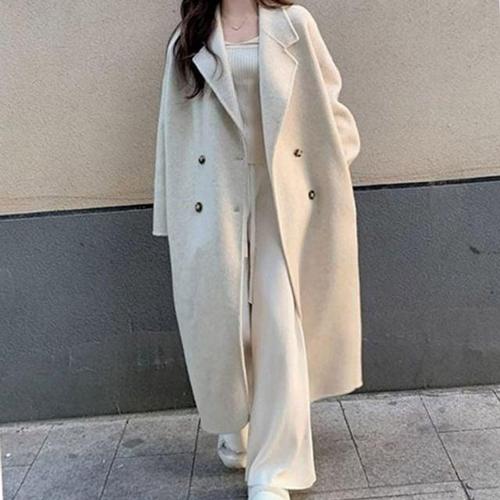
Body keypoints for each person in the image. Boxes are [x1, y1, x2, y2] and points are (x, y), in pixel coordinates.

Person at [152, 1, 363, 499]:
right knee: (229, 322)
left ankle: (274, 470)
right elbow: (171, 132)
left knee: (277, 322)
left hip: (282, 195)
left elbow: (328, 100)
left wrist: (333, 163)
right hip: (216, 197)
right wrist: (172, 214)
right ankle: (238, 425)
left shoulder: (294, 24)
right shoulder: (190, 38)